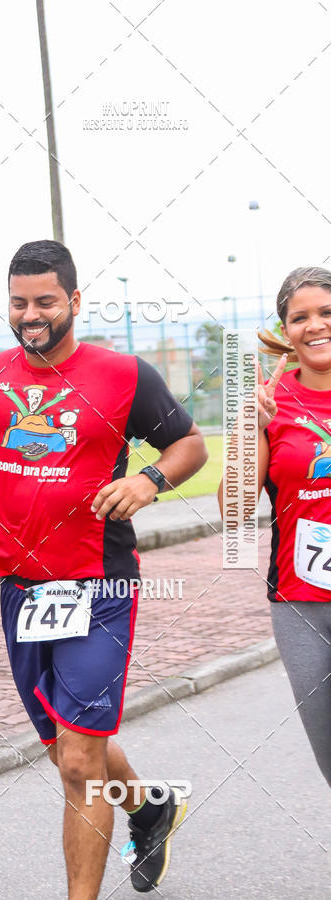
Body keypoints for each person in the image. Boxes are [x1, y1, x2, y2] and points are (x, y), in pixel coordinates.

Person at [0, 240, 208, 898]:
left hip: (100, 585)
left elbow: (189, 443)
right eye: (19, 303)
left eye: (45, 301)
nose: (31, 315)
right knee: (65, 747)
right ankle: (149, 806)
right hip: (20, 592)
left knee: (77, 761)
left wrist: (149, 480)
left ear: (74, 300)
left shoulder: (124, 376)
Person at [218, 265, 331, 788]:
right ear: (286, 330)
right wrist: (250, 427)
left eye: (326, 312)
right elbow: (235, 512)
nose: (315, 325)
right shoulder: (268, 404)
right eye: (300, 317)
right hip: (301, 605)